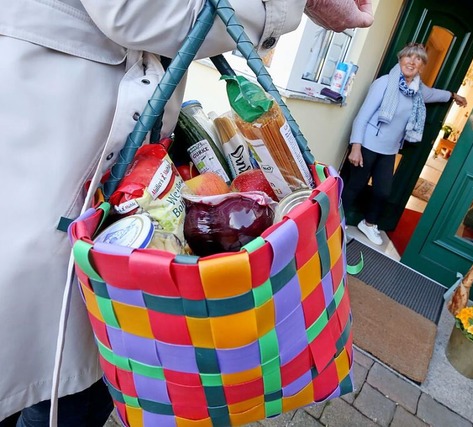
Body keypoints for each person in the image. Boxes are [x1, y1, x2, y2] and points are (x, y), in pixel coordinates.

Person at [0, 1, 373, 425]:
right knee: (42, 371)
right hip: (55, 161)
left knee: (76, 374)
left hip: (98, 177)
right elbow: (137, 10)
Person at [342, 42, 467, 245]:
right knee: (354, 186)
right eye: (408, 56)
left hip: (389, 149)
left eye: (418, 59)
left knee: (383, 191)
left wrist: (454, 96)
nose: (412, 61)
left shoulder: (417, 91)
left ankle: (369, 224)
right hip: (367, 144)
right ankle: (337, 223)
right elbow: (362, 116)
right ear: (400, 59)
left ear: (421, 66)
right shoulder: (384, 83)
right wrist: (356, 146)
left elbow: (434, 94)